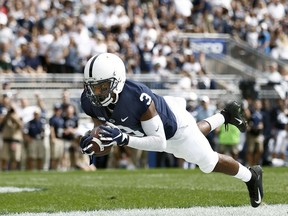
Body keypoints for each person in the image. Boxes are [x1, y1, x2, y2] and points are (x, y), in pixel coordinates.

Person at [79, 52, 263, 208]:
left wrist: (124, 139)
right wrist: (93, 142)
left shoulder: (136, 98)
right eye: (92, 87)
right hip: (160, 124)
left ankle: (251, 175)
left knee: (207, 163)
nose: (95, 93)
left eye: (101, 87)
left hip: (174, 126)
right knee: (190, 142)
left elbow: (159, 143)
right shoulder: (89, 102)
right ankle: (225, 115)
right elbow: (105, 138)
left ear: (117, 81)